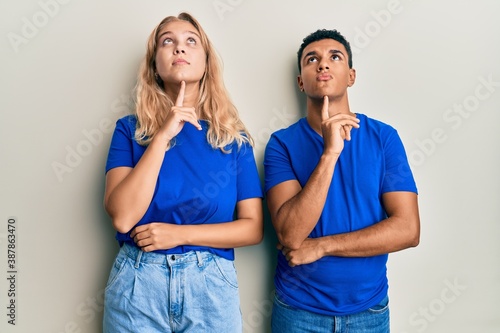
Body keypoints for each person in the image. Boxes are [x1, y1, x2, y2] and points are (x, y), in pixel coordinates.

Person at [102, 12, 263, 333]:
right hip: (138, 282)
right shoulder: (129, 131)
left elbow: (252, 228)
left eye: (191, 41)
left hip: (211, 287)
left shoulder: (234, 139)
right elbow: (122, 218)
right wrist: (162, 136)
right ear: (154, 64)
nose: (179, 48)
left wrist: (182, 235)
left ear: (206, 63)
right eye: (167, 42)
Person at [263, 29, 420, 332]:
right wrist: (330, 153)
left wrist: (322, 246)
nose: (323, 64)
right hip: (298, 312)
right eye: (312, 59)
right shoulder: (281, 144)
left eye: (334, 57)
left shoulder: (383, 137)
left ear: (351, 76)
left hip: (369, 312)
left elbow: (408, 229)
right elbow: (291, 236)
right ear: (301, 81)